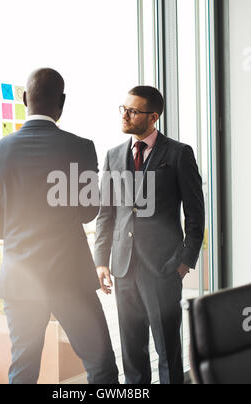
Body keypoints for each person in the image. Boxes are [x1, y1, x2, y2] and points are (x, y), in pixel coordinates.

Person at [0, 68, 118, 384]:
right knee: (102, 368)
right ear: (62, 102)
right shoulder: (80, 147)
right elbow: (88, 211)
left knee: (23, 371)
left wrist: (20, 227)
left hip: (20, 280)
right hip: (70, 278)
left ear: (25, 99)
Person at [94, 86, 205, 384]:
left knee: (168, 352)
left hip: (164, 270)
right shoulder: (114, 155)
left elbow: (196, 216)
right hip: (123, 269)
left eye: (133, 111)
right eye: (124, 108)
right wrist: (101, 261)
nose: (125, 115)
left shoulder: (179, 154)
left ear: (153, 117)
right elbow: (107, 213)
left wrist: (183, 264)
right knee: (132, 354)